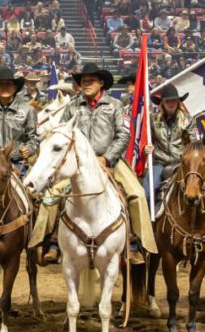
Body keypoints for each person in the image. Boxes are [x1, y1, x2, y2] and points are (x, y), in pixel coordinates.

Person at [61, 62, 157, 257]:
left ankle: (136, 244)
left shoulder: (115, 106)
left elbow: (123, 135)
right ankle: (50, 242)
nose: (86, 84)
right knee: (51, 197)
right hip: (78, 164)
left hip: (110, 161)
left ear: (101, 83)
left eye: (91, 81)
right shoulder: (72, 107)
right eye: (83, 81)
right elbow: (63, 134)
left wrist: (106, 157)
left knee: (137, 194)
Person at [148, 86, 200, 201]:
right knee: (148, 191)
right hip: (159, 162)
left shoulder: (188, 120)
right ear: (162, 103)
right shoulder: (153, 120)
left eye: (173, 101)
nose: (170, 103)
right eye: (167, 101)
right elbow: (147, 140)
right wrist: (146, 148)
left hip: (181, 163)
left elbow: (193, 144)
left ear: (178, 102)